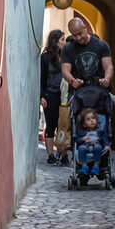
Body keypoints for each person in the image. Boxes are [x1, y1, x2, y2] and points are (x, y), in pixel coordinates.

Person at [60, 16, 114, 92]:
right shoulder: (67, 48)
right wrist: (72, 81)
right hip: (78, 92)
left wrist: (106, 79)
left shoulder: (102, 45)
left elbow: (108, 66)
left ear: (85, 28)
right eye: (74, 35)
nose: (78, 38)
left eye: (80, 34)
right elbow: (65, 70)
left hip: (99, 90)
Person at [39, 29, 69, 166]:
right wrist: (42, 96)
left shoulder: (66, 55)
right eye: (62, 39)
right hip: (50, 94)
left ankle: (64, 155)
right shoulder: (45, 58)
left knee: (63, 125)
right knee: (51, 125)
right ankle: (50, 155)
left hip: (64, 96)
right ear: (55, 41)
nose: (64, 42)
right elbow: (42, 78)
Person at [74, 107, 110, 176]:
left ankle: (96, 166)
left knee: (98, 148)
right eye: (88, 119)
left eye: (93, 118)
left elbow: (105, 138)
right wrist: (82, 139)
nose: (91, 120)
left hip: (97, 145)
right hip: (86, 146)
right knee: (81, 148)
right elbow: (77, 141)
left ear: (96, 120)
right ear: (84, 124)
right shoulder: (82, 133)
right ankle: (84, 166)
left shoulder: (100, 132)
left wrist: (107, 145)